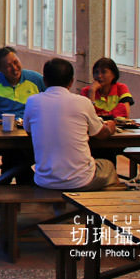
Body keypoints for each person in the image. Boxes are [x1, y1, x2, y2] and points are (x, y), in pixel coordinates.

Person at [23, 58, 119, 190]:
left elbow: (29, 131)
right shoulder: (83, 102)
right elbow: (101, 134)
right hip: (81, 179)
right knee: (108, 165)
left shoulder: (32, 102)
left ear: (44, 80)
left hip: (44, 179)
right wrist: (111, 128)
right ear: (71, 81)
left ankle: (65, 208)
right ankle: (105, 206)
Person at [0, 46, 45, 184]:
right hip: (4, 132)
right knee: (15, 152)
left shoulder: (36, 79)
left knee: (14, 155)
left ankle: (2, 185)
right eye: (8, 66)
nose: (14, 68)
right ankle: (24, 184)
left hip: (32, 132)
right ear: (0, 69)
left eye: (16, 62)